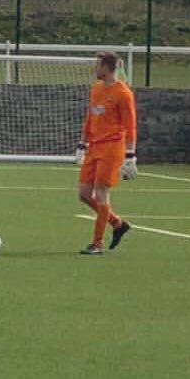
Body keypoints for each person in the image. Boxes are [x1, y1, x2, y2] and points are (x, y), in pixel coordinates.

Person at [76, 51, 137, 255]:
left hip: (112, 148)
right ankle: (117, 224)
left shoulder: (123, 93)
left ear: (108, 68)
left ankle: (97, 243)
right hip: (93, 147)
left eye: (98, 65)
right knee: (84, 194)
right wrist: (82, 144)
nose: (95, 68)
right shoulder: (96, 89)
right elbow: (89, 117)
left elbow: (131, 126)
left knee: (101, 193)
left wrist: (130, 156)